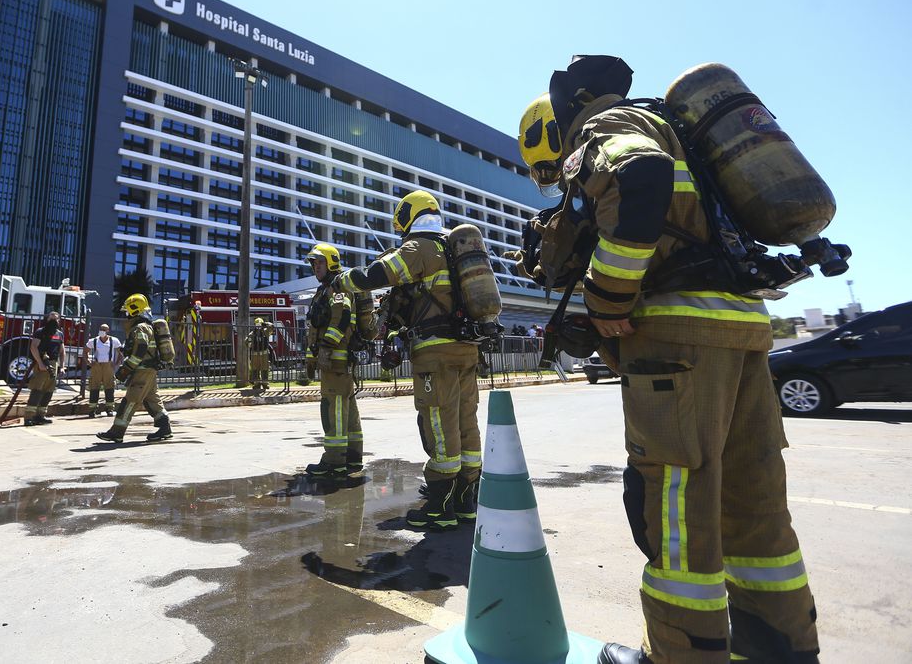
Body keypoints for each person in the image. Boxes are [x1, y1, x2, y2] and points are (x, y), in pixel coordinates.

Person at [515, 55, 819, 664]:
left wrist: (606, 300)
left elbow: (642, 178)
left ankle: (680, 656)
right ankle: (779, 652)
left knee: (677, 507)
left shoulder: (605, 126)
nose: (557, 177)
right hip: (741, 330)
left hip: (679, 344)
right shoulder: (677, 133)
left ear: (567, 110)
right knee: (754, 506)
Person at [333, 191, 482, 530]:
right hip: (467, 349)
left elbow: (376, 275)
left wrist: (342, 279)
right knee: (465, 422)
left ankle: (438, 509)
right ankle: (465, 501)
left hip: (436, 353)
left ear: (409, 216)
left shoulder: (419, 248)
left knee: (440, 425)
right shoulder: (453, 249)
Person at [302, 243, 363, 477]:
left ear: (331, 263)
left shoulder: (337, 288)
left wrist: (326, 347)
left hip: (336, 362)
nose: (316, 267)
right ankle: (353, 458)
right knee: (348, 412)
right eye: (314, 264)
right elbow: (315, 329)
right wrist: (311, 358)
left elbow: (342, 318)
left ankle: (334, 460)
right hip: (337, 363)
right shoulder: (328, 288)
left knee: (333, 410)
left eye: (319, 263)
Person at [95, 294, 172, 442]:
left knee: (131, 400)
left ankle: (117, 432)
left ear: (134, 311)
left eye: (127, 312)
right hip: (149, 370)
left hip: (142, 370)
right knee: (152, 400)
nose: (126, 315)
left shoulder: (139, 328)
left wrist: (126, 369)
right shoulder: (146, 326)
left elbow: (140, 350)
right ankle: (165, 428)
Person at [24, 311, 65, 426]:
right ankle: (28, 417)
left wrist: (62, 366)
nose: (54, 320)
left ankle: (40, 416)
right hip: (42, 364)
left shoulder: (59, 334)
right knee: (37, 390)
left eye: (56, 319)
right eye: (51, 318)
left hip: (54, 364)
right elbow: (33, 347)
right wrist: (40, 363)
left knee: (49, 391)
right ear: (47, 320)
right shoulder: (40, 332)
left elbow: (62, 351)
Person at [83, 323, 122, 418]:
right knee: (94, 387)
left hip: (108, 365)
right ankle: (92, 410)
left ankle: (110, 409)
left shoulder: (114, 340)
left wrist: (116, 363)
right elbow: (85, 351)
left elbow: (120, 352)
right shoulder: (94, 341)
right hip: (97, 365)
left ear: (108, 331)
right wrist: (88, 362)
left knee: (109, 387)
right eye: (101, 329)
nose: (102, 331)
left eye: (104, 329)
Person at [247, 317, 274, 390]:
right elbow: (247, 342)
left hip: (264, 354)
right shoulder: (252, 334)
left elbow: (272, 327)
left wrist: (265, 324)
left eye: (260, 324)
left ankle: (265, 384)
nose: (258, 326)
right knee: (255, 370)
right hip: (255, 354)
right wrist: (250, 343)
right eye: (257, 324)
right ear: (255, 325)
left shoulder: (266, 331)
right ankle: (257, 384)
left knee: (265, 369)